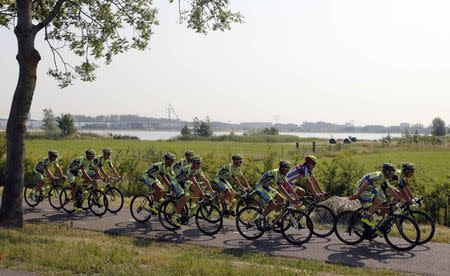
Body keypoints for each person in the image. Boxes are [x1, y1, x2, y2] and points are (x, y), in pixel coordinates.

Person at [349, 163, 402, 227]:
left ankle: (378, 225)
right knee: (378, 201)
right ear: (387, 172)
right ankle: (366, 217)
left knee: (386, 206)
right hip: (360, 190)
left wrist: (399, 199)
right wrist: (357, 195)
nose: (393, 174)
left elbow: (390, 190)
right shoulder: (379, 176)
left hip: (369, 190)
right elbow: (365, 183)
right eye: (392, 172)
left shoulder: (384, 178)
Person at [170, 155, 215, 226]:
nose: (199, 165)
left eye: (200, 163)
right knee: (184, 197)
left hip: (184, 181)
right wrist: (203, 194)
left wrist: (212, 191)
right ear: (193, 164)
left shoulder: (198, 170)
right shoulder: (189, 170)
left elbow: (205, 180)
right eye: (197, 163)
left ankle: (193, 204)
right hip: (176, 182)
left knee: (196, 189)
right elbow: (195, 182)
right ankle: (175, 216)